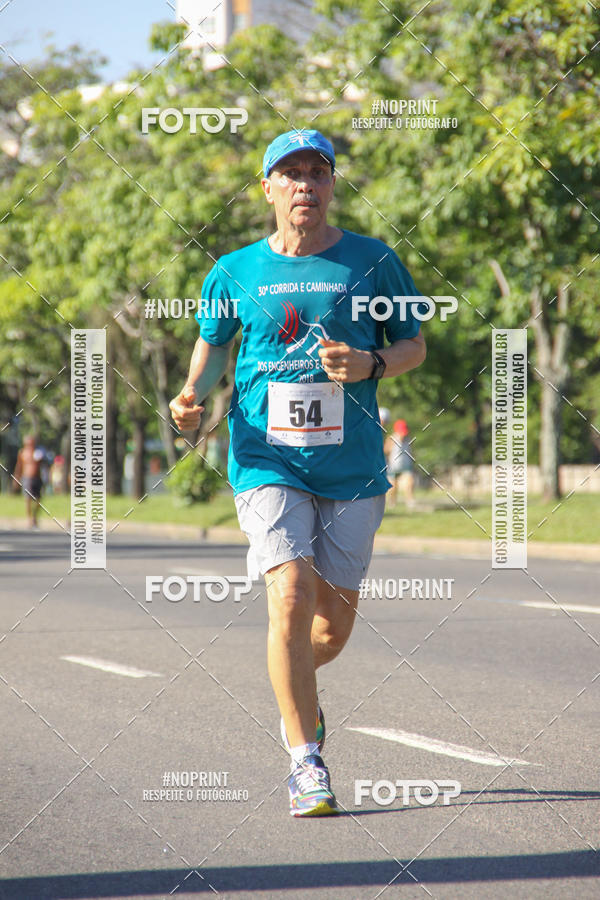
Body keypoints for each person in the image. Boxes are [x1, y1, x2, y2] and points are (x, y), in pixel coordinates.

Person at [170, 129, 426, 817]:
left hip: (352, 467)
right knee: (289, 595)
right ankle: (305, 761)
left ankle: (299, 695)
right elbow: (211, 345)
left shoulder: (373, 261)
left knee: (330, 630)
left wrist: (372, 363)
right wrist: (190, 396)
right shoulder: (233, 271)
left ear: (332, 185)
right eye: (290, 173)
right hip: (265, 458)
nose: (305, 183)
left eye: (317, 171)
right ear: (268, 188)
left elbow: (414, 344)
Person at [13, 435, 44, 527]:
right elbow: (19, 466)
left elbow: (42, 465)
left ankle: (35, 517)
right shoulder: (22, 453)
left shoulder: (37, 453)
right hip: (27, 478)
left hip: (37, 478)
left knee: (38, 499)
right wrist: (16, 478)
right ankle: (29, 519)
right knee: (28, 499)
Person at [385, 419, 415, 507]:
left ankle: (410, 502)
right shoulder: (391, 439)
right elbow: (385, 451)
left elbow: (411, 451)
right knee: (393, 486)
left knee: (409, 482)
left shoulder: (408, 439)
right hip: (393, 466)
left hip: (406, 465)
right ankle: (392, 502)